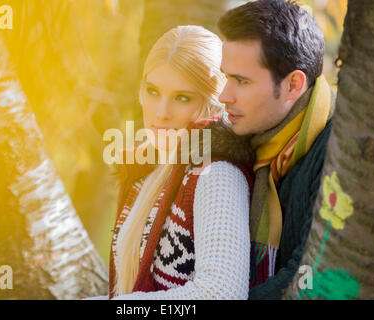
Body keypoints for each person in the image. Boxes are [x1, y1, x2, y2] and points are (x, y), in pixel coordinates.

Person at [87, 25, 255, 300]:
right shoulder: (147, 172)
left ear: (212, 103)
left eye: (182, 98)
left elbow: (221, 294)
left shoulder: (216, 174)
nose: (161, 113)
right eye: (152, 91)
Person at [217, 0, 336, 299]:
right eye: (225, 76)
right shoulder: (246, 141)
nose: (223, 95)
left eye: (241, 81)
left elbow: (312, 274)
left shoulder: (338, 156)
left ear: (294, 85)